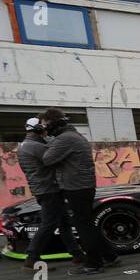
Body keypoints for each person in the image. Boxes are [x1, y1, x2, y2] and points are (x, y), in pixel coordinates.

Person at [38, 108, 118, 276]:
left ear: (53, 124)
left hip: (76, 187)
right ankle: (109, 256)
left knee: (83, 226)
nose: (43, 129)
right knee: (87, 223)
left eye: (45, 125)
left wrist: (45, 140)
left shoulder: (65, 139)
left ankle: (93, 264)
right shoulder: (73, 135)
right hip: (82, 186)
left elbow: (47, 159)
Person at [19, 116, 83, 271]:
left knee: (63, 223)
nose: (46, 131)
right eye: (44, 128)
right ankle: (32, 258)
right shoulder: (36, 146)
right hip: (49, 189)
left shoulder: (25, 145)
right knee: (49, 224)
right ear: (39, 130)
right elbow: (56, 157)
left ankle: (77, 254)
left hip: (44, 189)